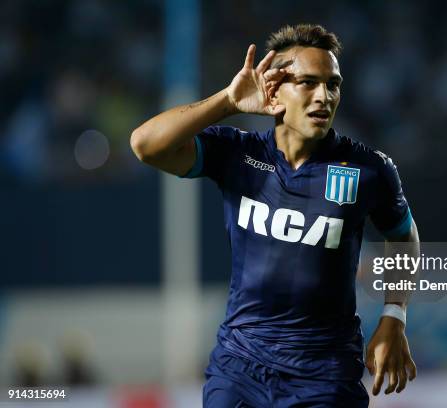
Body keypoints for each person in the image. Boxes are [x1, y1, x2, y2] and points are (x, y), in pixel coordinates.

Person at [131, 23, 418, 408]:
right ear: (275, 88)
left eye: (333, 84)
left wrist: (393, 315)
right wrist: (227, 101)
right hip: (240, 367)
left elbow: (403, 236)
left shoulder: (368, 170)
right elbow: (145, 145)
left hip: (324, 375)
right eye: (308, 83)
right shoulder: (237, 154)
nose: (324, 96)